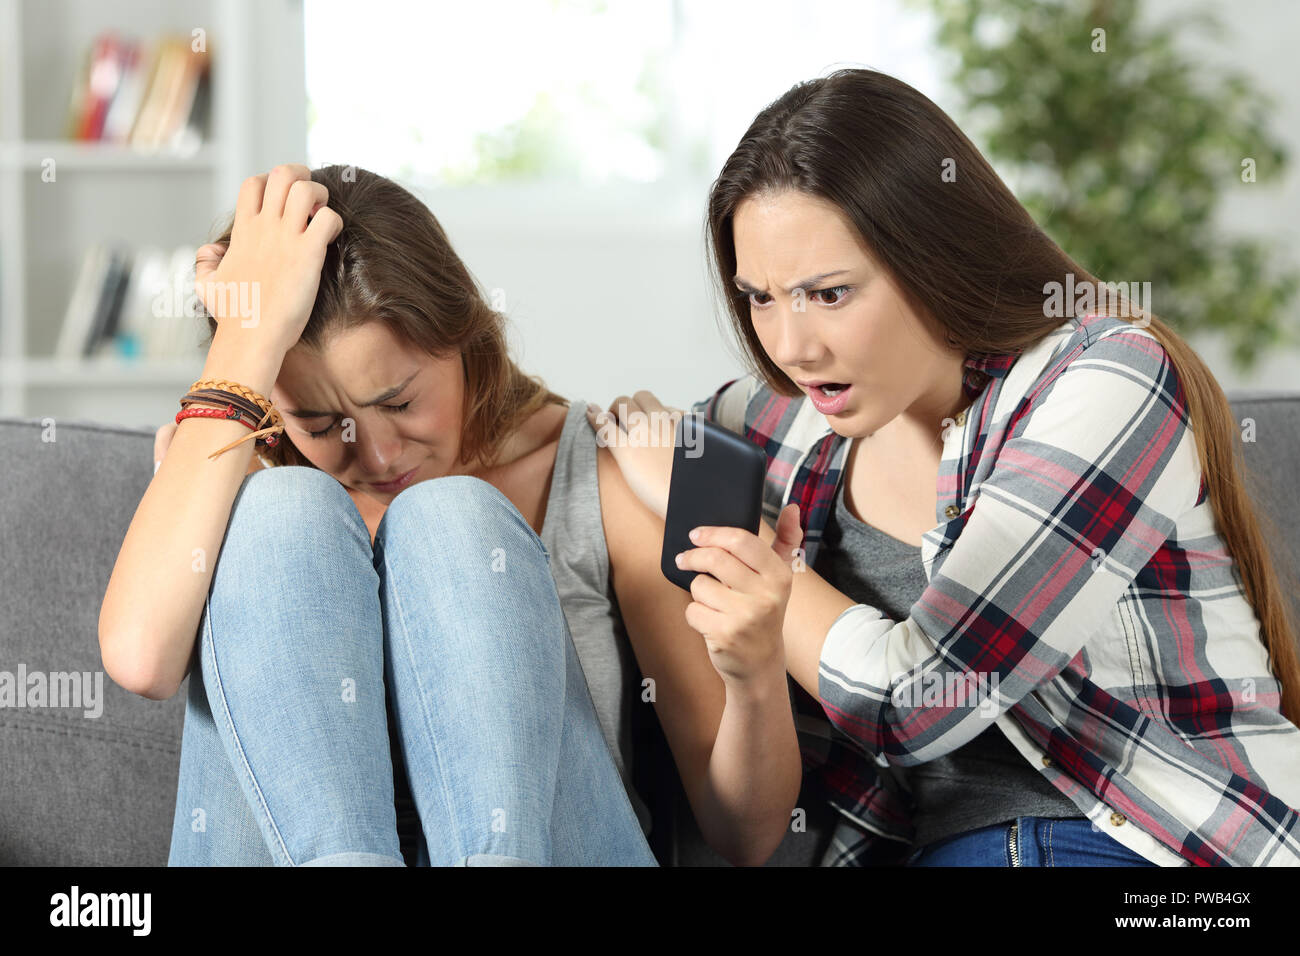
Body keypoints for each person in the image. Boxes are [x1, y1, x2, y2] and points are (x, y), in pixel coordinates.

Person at [595, 68, 1300, 867]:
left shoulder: (1108, 378)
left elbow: (914, 700)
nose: (791, 349)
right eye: (760, 298)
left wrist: (739, 540)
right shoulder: (781, 426)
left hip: (1165, 848)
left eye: (828, 295)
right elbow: (591, 442)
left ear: (931, 254)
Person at [99, 163, 803, 866]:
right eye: (318, 422)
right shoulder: (238, 482)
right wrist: (243, 343)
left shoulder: (603, 471)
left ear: (465, 336)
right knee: (273, 515)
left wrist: (757, 666)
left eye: (400, 402)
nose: (375, 455)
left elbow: (743, 834)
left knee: (452, 521)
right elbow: (140, 661)